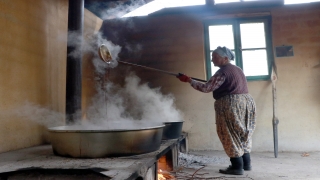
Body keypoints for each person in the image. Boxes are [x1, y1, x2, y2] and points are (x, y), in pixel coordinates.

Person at [176, 46, 256, 175]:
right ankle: (246, 164)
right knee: (242, 133)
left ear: (225, 58)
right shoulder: (237, 69)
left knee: (229, 134)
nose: (212, 60)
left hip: (231, 104)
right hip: (246, 102)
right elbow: (223, 84)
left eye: (214, 57)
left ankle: (237, 167)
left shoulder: (222, 72)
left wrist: (189, 80)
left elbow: (207, 88)